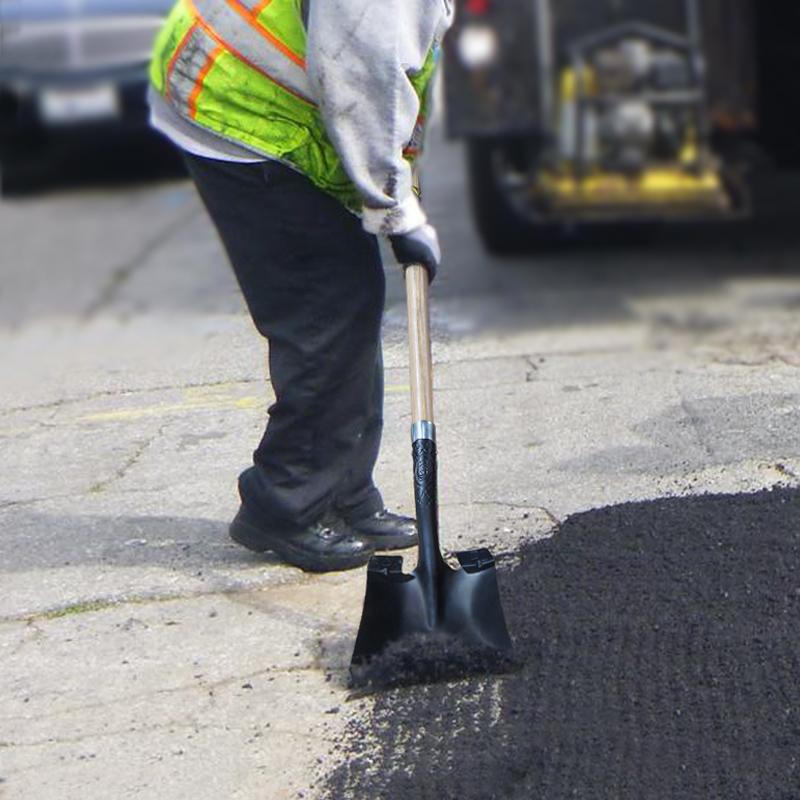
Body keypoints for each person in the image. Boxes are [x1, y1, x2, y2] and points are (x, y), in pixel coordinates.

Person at [148, 0, 453, 572]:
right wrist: (395, 209)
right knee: (323, 305)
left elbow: (391, 76)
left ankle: (343, 492)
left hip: (274, 89)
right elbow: (362, 78)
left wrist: (400, 187)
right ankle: (286, 504)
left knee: (351, 294)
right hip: (243, 106)